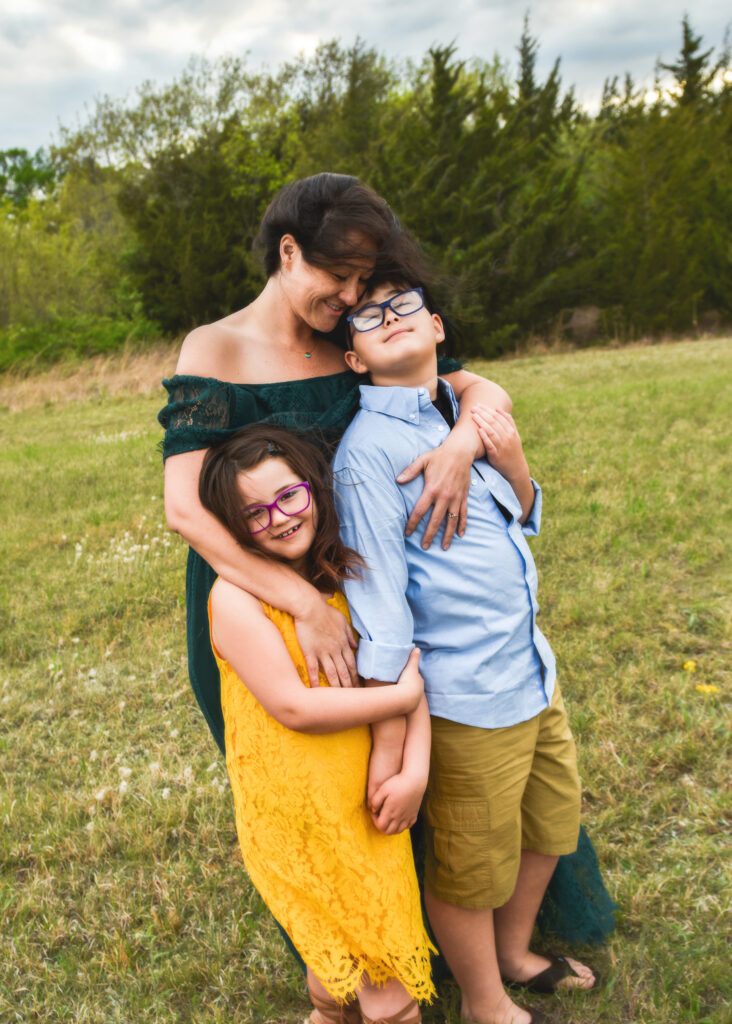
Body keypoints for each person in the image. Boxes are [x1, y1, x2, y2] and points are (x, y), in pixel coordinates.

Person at [159, 172, 512, 765]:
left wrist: (458, 447)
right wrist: (305, 605)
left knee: (408, 776)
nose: (351, 295)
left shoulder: (355, 341)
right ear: (288, 251)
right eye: (338, 275)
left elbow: (481, 390)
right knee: (305, 780)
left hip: (371, 579)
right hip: (262, 593)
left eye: (361, 279)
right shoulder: (215, 348)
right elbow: (184, 509)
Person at [332, 280, 602, 1024]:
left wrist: (499, 457)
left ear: (438, 326)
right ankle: (487, 1003)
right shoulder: (366, 454)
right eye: (369, 315)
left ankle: (514, 954)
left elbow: (522, 511)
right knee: (468, 867)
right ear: (353, 358)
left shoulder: (464, 411)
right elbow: (380, 601)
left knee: (552, 822)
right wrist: (394, 737)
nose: (390, 319)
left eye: (405, 305)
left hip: (531, 670)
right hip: (465, 694)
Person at [199, 424, 435, 1024]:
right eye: (253, 513)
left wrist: (416, 770)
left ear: (314, 488)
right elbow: (295, 708)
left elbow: (407, 675)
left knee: (353, 973)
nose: (277, 518)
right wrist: (402, 697)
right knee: (380, 990)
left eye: (288, 496)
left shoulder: (350, 574)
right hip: (297, 809)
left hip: (365, 801)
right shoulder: (236, 598)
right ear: (229, 528)